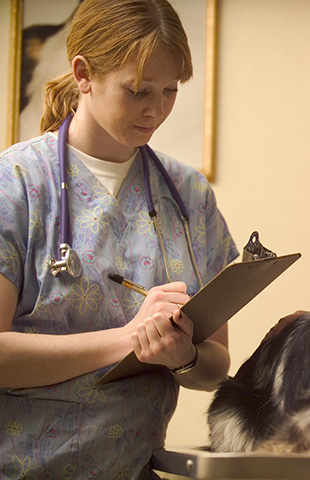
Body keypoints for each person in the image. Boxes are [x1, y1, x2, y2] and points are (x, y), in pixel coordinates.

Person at [0, 0, 238, 478]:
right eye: (137, 90)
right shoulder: (17, 182)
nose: (156, 109)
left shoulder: (188, 194)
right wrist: (128, 339)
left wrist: (184, 355)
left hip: (137, 468)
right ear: (83, 73)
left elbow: (215, 367)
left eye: (170, 90)